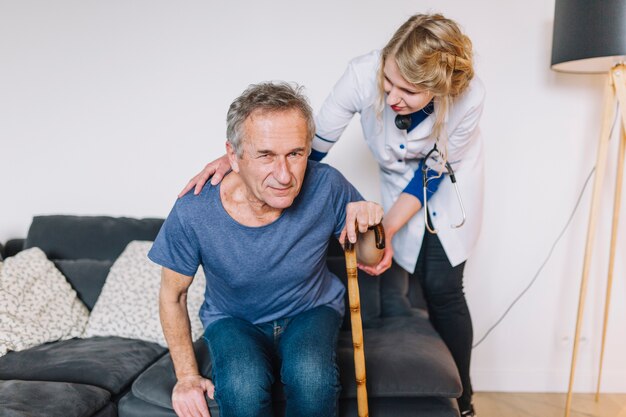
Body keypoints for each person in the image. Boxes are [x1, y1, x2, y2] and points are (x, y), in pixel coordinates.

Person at [178, 14, 484, 416]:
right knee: (416, 285)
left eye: (407, 91)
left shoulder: (469, 97)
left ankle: (463, 402)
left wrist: (385, 227)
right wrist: (249, 163)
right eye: (388, 82)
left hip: (446, 187)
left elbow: (432, 172)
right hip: (394, 179)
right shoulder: (361, 74)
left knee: (444, 290)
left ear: (439, 89)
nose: (392, 97)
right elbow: (311, 144)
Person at [150, 81, 384, 417]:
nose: (284, 174)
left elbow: (369, 258)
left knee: (312, 377)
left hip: (311, 309)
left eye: (295, 154)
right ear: (234, 155)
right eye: (266, 156)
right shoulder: (194, 210)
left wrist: (370, 223)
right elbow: (172, 295)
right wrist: (186, 376)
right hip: (233, 319)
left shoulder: (327, 185)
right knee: (241, 386)